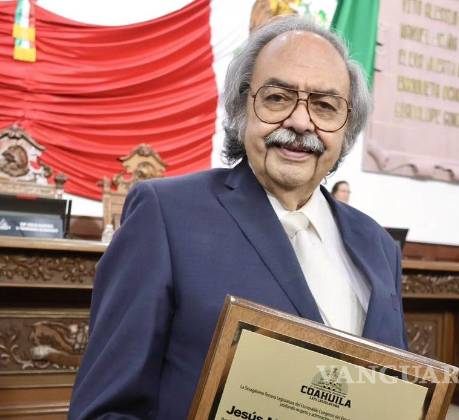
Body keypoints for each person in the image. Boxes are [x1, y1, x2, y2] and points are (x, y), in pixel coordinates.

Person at [68, 16, 407, 419]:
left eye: (324, 105)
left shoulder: (379, 246)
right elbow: (104, 409)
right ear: (242, 106)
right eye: (277, 98)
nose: (301, 122)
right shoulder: (165, 216)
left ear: (346, 126)